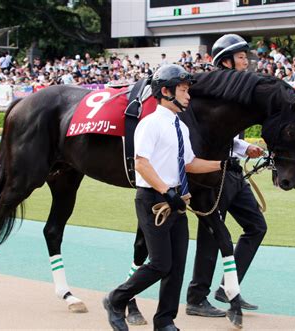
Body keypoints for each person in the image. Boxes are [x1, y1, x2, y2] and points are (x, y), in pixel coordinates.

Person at [103, 64, 240, 331]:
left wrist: (222, 164)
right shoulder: (149, 124)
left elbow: (189, 162)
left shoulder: (181, 126)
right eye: (183, 90)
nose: (188, 95)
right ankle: (115, 299)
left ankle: (164, 321)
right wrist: (167, 192)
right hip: (154, 200)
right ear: (165, 91)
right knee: (160, 264)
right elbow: (141, 164)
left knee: (177, 267)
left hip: (176, 199)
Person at [185, 33, 267, 318]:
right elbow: (209, 134)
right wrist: (244, 147)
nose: (247, 63)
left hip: (233, 172)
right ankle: (196, 298)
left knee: (257, 226)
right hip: (212, 172)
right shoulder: (212, 93)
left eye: (246, 57)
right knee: (210, 232)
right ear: (226, 61)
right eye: (242, 58)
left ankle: (227, 288)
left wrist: (245, 148)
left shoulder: (238, 92)